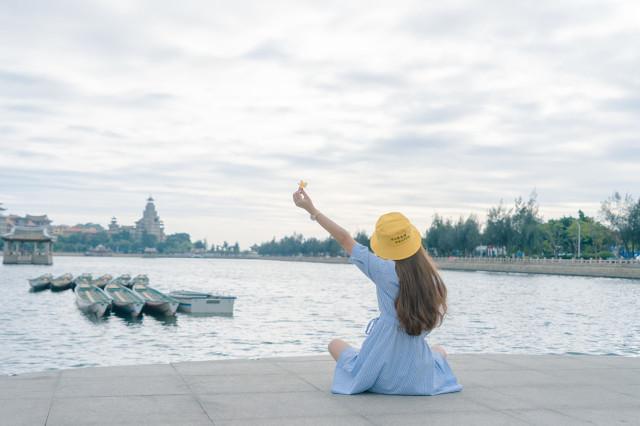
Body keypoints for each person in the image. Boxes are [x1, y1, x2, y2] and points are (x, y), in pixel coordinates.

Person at [293, 187, 463, 395]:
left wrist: (312, 210)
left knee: (335, 344)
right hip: (418, 380)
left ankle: (362, 355)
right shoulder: (430, 278)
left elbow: (344, 238)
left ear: (385, 245)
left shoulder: (383, 269)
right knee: (438, 351)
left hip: (378, 376)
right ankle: (368, 355)